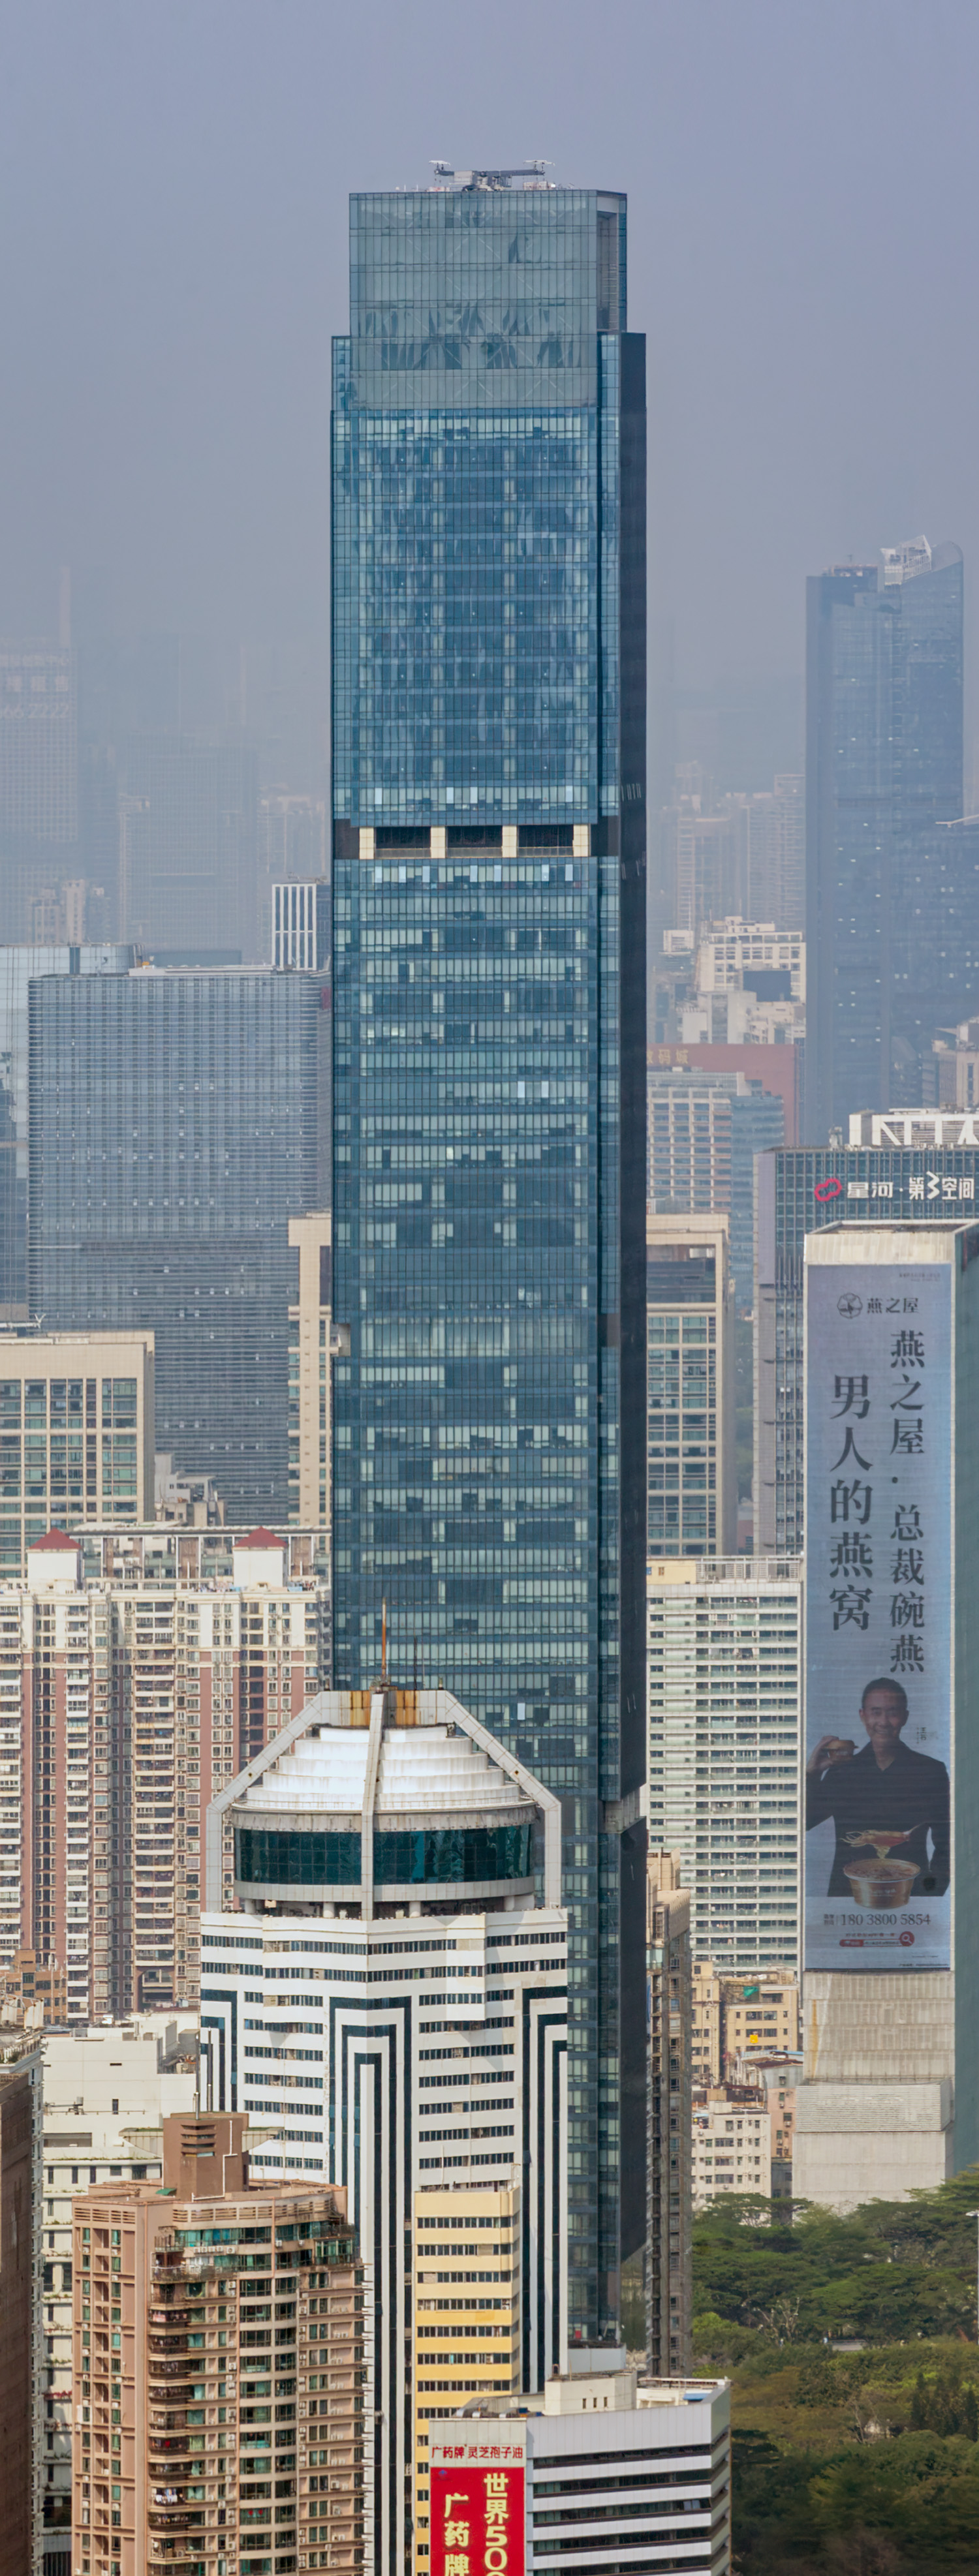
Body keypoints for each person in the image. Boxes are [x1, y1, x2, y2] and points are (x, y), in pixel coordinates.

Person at [805, 1677, 950, 1897]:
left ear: (905, 1717)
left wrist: (930, 1893)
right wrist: (812, 1774)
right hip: (848, 1895)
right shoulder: (842, 1771)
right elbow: (803, 1823)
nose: (883, 1721)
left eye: (892, 1712)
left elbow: (948, 1844)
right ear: (863, 1716)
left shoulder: (931, 1771)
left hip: (909, 1895)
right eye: (876, 1712)